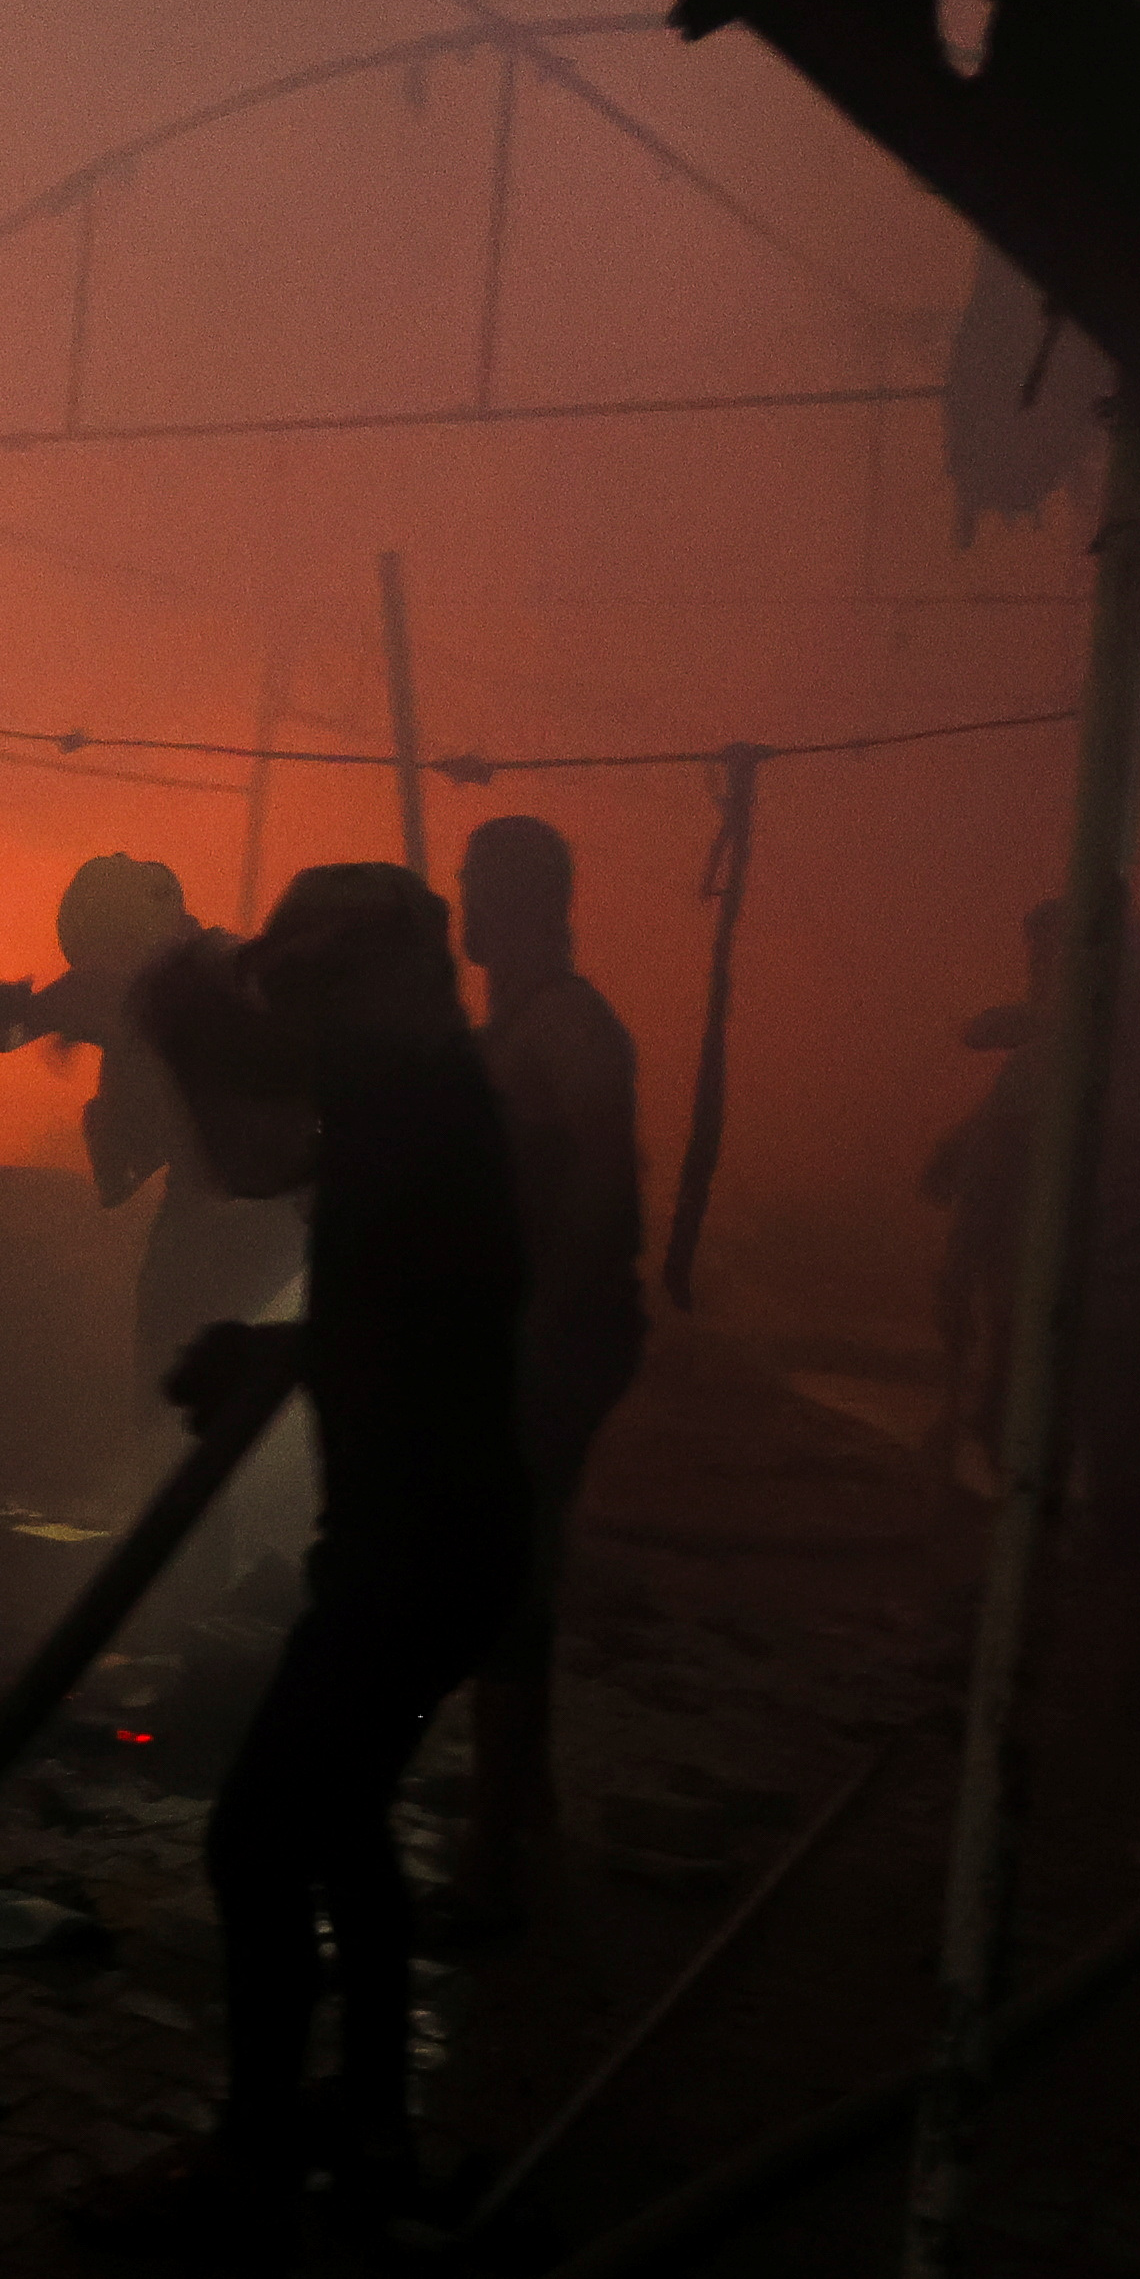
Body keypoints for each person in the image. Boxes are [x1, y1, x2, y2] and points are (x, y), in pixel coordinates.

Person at [75, 864, 529, 2257]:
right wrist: (277, 1348)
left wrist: (284, 1347)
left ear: (368, 982)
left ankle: (258, 2149)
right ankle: (373, 2118)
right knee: (339, 1826)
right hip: (439, 1542)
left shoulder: (408, 1122)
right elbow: (396, 1307)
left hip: (411, 1555)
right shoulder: (423, 1099)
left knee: (256, 1835)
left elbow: (380, 1290)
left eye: (323, 989)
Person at [922, 901, 1140, 1677]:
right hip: (1133, 1315)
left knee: (1029, 1454)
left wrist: (959, 1275)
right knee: (1123, 1473)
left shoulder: (1042, 1068)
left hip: (1054, 1313)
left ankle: (1040, 1618)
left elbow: (979, 1183)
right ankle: (1122, 1643)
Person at [438, 817, 646, 1943]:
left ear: (522, 900)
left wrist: (543, 1328)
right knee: (515, 1574)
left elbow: (607, 1187)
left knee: (505, 1584)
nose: (466, 907)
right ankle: (529, 1809)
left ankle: (488, 1862)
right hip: (523, 1331)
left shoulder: (568, 1027)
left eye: (478, 889)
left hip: (558, 1337)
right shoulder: (510, 1022)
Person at [0, 856, 313, 1452]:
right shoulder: (233, 966)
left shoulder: (166, 988)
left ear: (118, 940)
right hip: (286, 1223)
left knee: (174, 1408)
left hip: (228, 1229)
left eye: (93, 958)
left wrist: (28, 1017)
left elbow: (119, 1168)